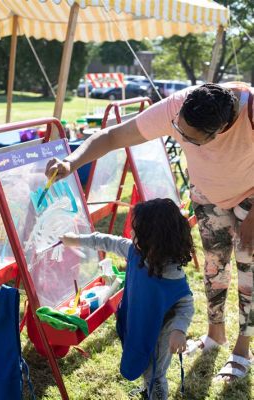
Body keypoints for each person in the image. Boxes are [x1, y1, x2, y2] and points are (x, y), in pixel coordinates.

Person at [46, 82, 254, 382]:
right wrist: (71, 161)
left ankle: (241, 351)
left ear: (219, 130)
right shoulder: (178, 107)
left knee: (249, 273)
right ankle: (214, 335)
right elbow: (113, 135)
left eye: (190, 140)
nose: (178, 137)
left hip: (250, 195)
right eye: (177, 130)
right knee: (213, 267)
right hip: (209, 194)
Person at [60, 198, 194, 400]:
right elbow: (105, 240)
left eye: (137, 231)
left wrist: (178, 330)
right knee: (142, 363)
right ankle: (148, 385)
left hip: (159, 334)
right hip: (136, 321)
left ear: (155, 239)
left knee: (155, 374)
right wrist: (75, 240)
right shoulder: (135, 250)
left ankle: (155, 392)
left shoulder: (171, 273)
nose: (131, 235)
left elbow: (186, 304)